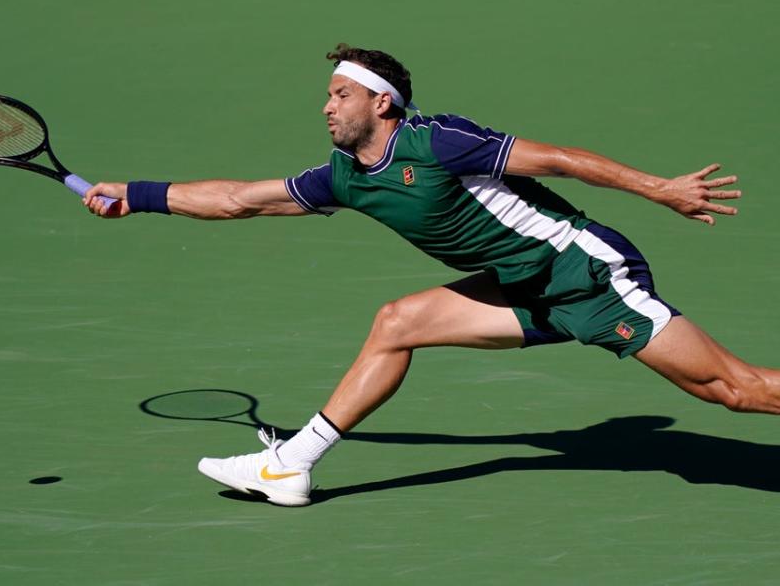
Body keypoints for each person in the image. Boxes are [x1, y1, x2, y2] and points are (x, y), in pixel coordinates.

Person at [84, 43, 778, 507]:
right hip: (524, 287)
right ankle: (292, 463)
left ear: (380, 103)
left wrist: (660, 188)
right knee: (399, 321)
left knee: (734, 391)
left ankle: (291, 460)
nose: (325, 105)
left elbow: (560, 158)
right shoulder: (345, 178)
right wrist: (135, 194)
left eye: (339, 93)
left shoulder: (437, 141)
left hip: (584, 273)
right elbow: (239, 199)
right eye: (325, 95)